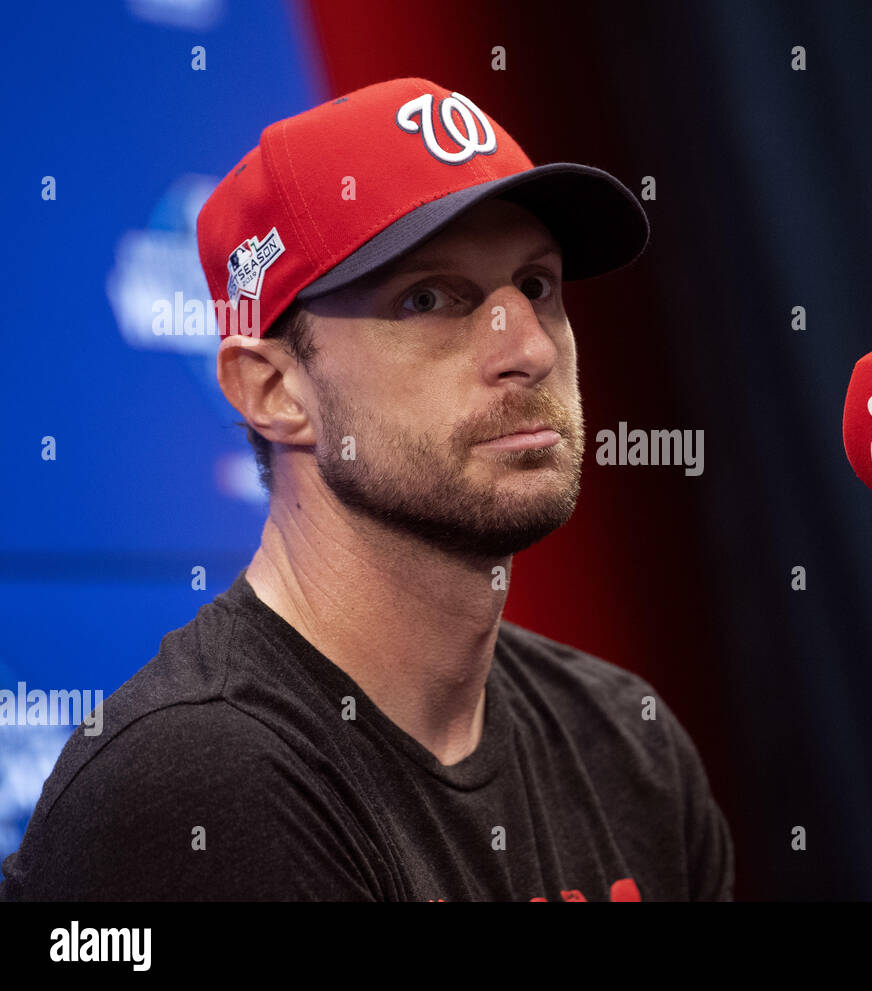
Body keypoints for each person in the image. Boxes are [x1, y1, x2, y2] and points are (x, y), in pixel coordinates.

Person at [0, 78, 733, 902]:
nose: (527, 346)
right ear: (273, 390)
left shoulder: (625, 741)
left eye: (535, 285)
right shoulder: (198, 785)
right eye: (429, 298)